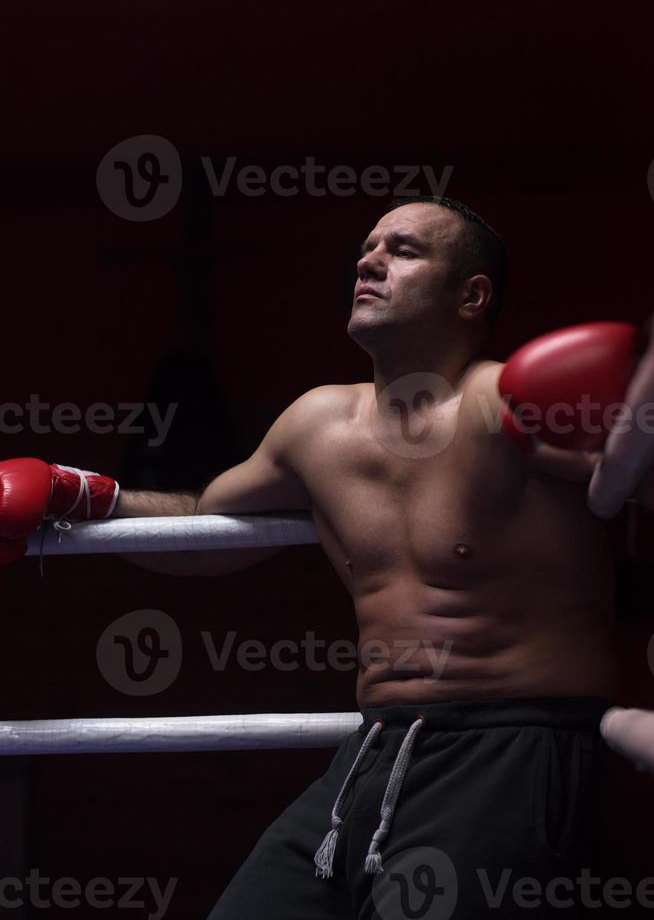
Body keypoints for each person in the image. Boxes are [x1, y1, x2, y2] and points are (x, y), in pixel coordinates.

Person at [2, 197, 653, 918]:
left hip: (513, 749)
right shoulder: (317, 425)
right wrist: (81, 495)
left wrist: (632, 431)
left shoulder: (508, 404)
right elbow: (198, 528)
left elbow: (630, 480)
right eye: (367, 248)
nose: (369, 261)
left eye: (403, 251)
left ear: (471, 295)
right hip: (374, 748)